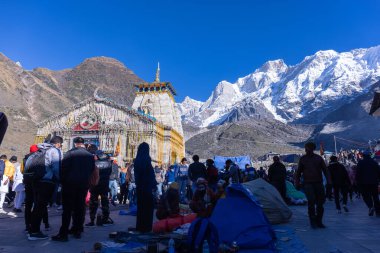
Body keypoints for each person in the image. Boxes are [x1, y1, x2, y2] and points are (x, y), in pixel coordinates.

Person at [52, 137, 95, 242]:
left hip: (70, 184)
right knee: (80, 207)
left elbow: (63, 168)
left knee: (67, 209)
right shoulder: (90, 156)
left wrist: (62, 181)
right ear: (83, 144)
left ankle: (63, 233)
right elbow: (92, 170)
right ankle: (77, 230)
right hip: (83, 185)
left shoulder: (70, 153)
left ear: (75, 144)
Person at [28, 136, 63, 240]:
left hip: (36, 181)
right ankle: (35, 232)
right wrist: (60, 179)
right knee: (41, 207)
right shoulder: (54, 151)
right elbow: (56, 167)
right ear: (58, 144)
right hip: (47, 182)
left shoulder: (39, 150)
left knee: (37, 206)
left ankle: (31, 229)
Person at [295, 142, 330, 229]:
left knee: (320, 203)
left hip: (318, 183)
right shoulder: (303, 159)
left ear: (311, 149)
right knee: (311, 202)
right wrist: (297, 183)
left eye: (307, 148)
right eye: (306, 148)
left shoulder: (318, 158)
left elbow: (325, 170)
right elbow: (298, 172)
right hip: (308, 183)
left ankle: (319, 221)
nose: (306, 150)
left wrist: (329, 181)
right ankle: (312, 221)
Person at [23, 145, 50, 233]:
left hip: (27, 184)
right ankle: (46, 224)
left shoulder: (26, 158)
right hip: (36, 183)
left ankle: (27, 225)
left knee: (28, 205)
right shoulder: (39, 157)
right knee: (40, 205)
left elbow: (23, 171)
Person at [86, 150, 113, 227]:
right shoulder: (109, 163)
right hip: (104, 185)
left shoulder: (94, 163)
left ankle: (92, 220)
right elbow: (109, 173)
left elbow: (90, 174)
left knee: (93, 203)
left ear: (97, 155)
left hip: (95, 185)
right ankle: (105, 219)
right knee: (105, 202)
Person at [134, 142, 157, 233]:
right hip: (147, 187)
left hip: (139, 187)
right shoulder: (147, 160)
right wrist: (154, 184)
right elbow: (150, 174)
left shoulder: (137, 160)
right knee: (148, 209)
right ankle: (146, 227)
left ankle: (140, 226)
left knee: (141, 209)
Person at [355, 150, 380, 216]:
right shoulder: (374, 163)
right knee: (375, 197)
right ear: (369, 155)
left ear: (363, 155)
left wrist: (357, 181)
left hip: (364, 183)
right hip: (374, 182)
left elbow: (358, 173)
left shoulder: (360, 162)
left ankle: (370, 206)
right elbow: (379, 172)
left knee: (366, 196)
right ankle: (378, 211)